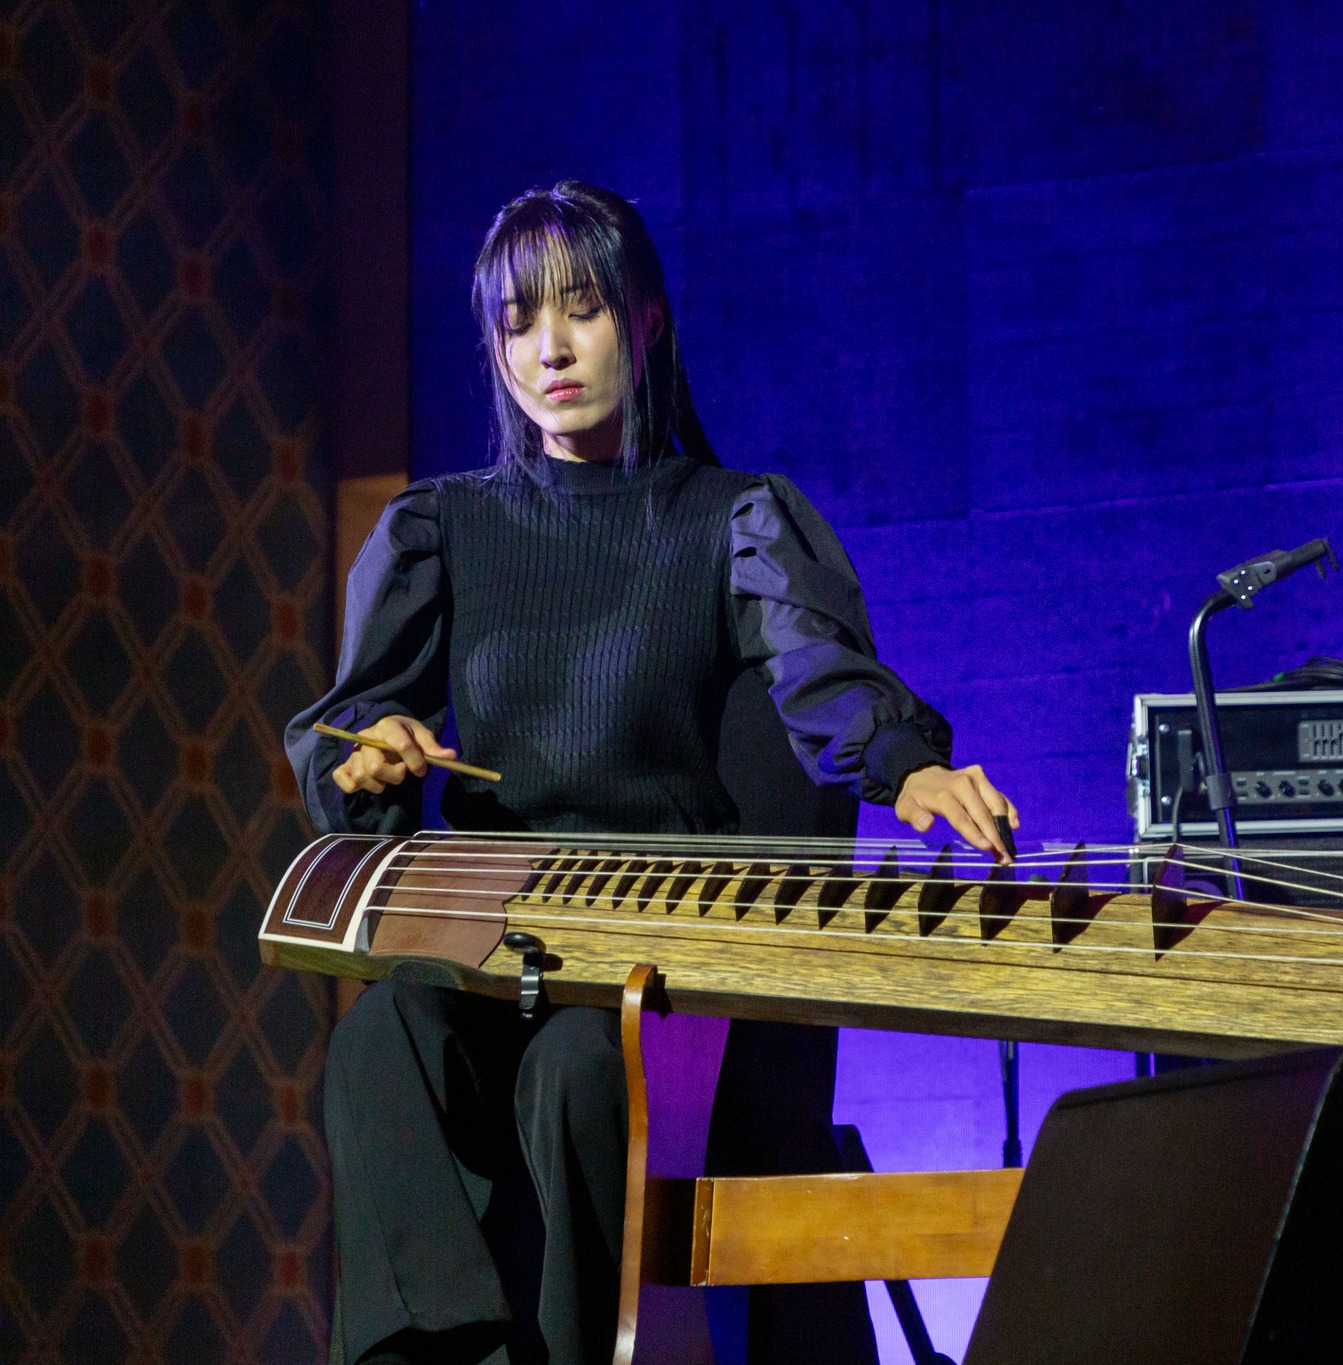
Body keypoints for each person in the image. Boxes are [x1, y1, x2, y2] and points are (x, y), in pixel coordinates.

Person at [286, 181, 1018, 1365]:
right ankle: (442, 1349)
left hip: (651, 944)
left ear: (647, 320)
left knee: (585, 1068)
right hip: (493, 933)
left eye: (580, 311)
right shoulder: (443, 528)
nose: (549, 349)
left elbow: (817, 675)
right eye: (518, 321)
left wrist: (908, 769)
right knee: (379, 1041)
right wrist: (372, 760)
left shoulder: (733, 519)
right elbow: (356, 724)